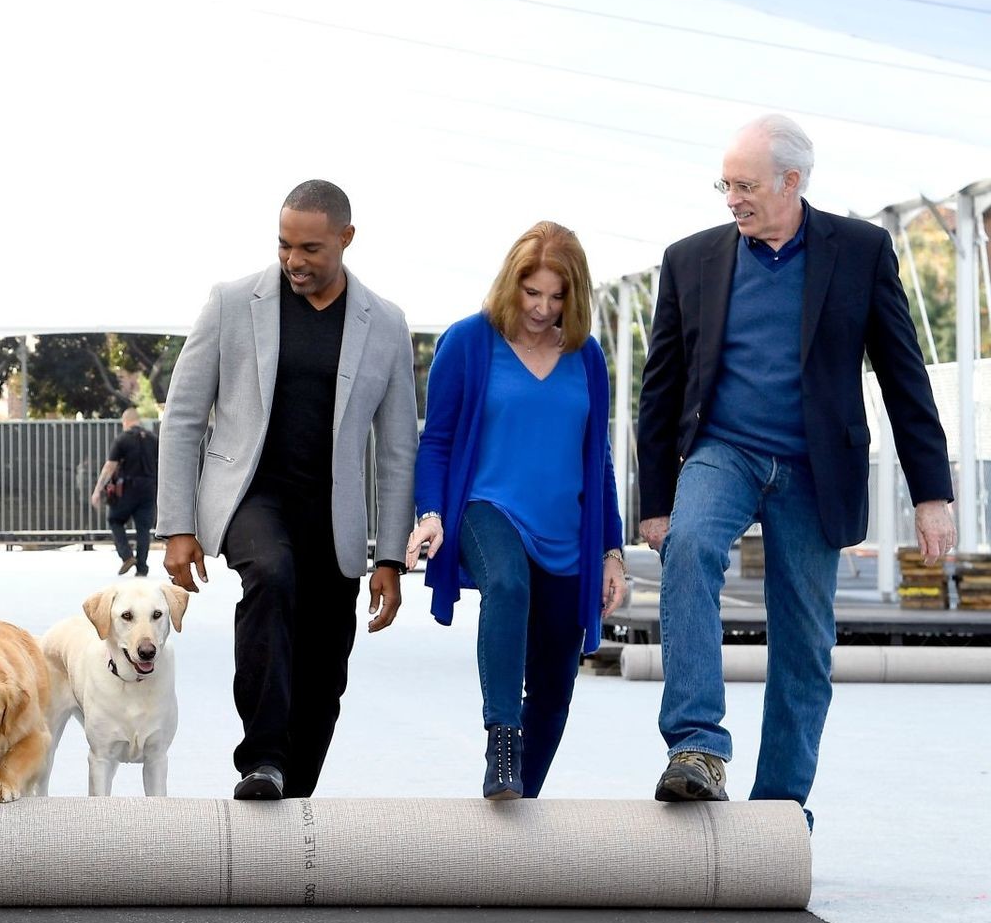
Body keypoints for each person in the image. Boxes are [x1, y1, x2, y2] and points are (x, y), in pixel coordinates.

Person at [637, 113, 954, 814]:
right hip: (724, 449)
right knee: (690, 547)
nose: (732, 199)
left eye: (746, 185)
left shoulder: (860, 251)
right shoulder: (690, 259)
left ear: (792, 181)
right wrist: (655, 502)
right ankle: (696, 746)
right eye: (726, 184)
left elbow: (903, 375)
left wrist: (932, 493)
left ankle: (779, 808)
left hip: (815, 466)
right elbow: (660, 388)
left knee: (805, 639)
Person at [157, 180, 417, 802]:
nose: (294, 260)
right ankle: (263, 758)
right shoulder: (230, 302)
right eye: (283, 245)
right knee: (271, 578)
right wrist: (177, 526)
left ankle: (292, 797)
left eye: (310, 249)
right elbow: (183, 417)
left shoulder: (385, 323)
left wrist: (390, 557)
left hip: (333, 514)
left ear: (346, 239)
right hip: (251, 496)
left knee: (325, 669)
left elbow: (397, 449)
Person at [404, 222, 626, 801]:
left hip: (566, 532)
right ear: (512, 284)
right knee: (506, 584)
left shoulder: (587, 356)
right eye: (532, 293)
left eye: (557, 297)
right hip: (487, 510)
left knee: (554, 689)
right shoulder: (468, 342)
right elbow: (437, 442)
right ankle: (502, 737)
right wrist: (431, 513)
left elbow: (599, 459)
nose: (543, 308)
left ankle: (520, 803)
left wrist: (612, 551)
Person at [90, 408, 159, 576]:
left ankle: (127, 556)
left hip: (127, 489)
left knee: (114, 520)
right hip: (149, 488)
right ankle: (142, 568)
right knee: (143, 529)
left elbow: (109, 467)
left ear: (125, 421)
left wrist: (98, 490)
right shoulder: (153, 439)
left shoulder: (122, 439)